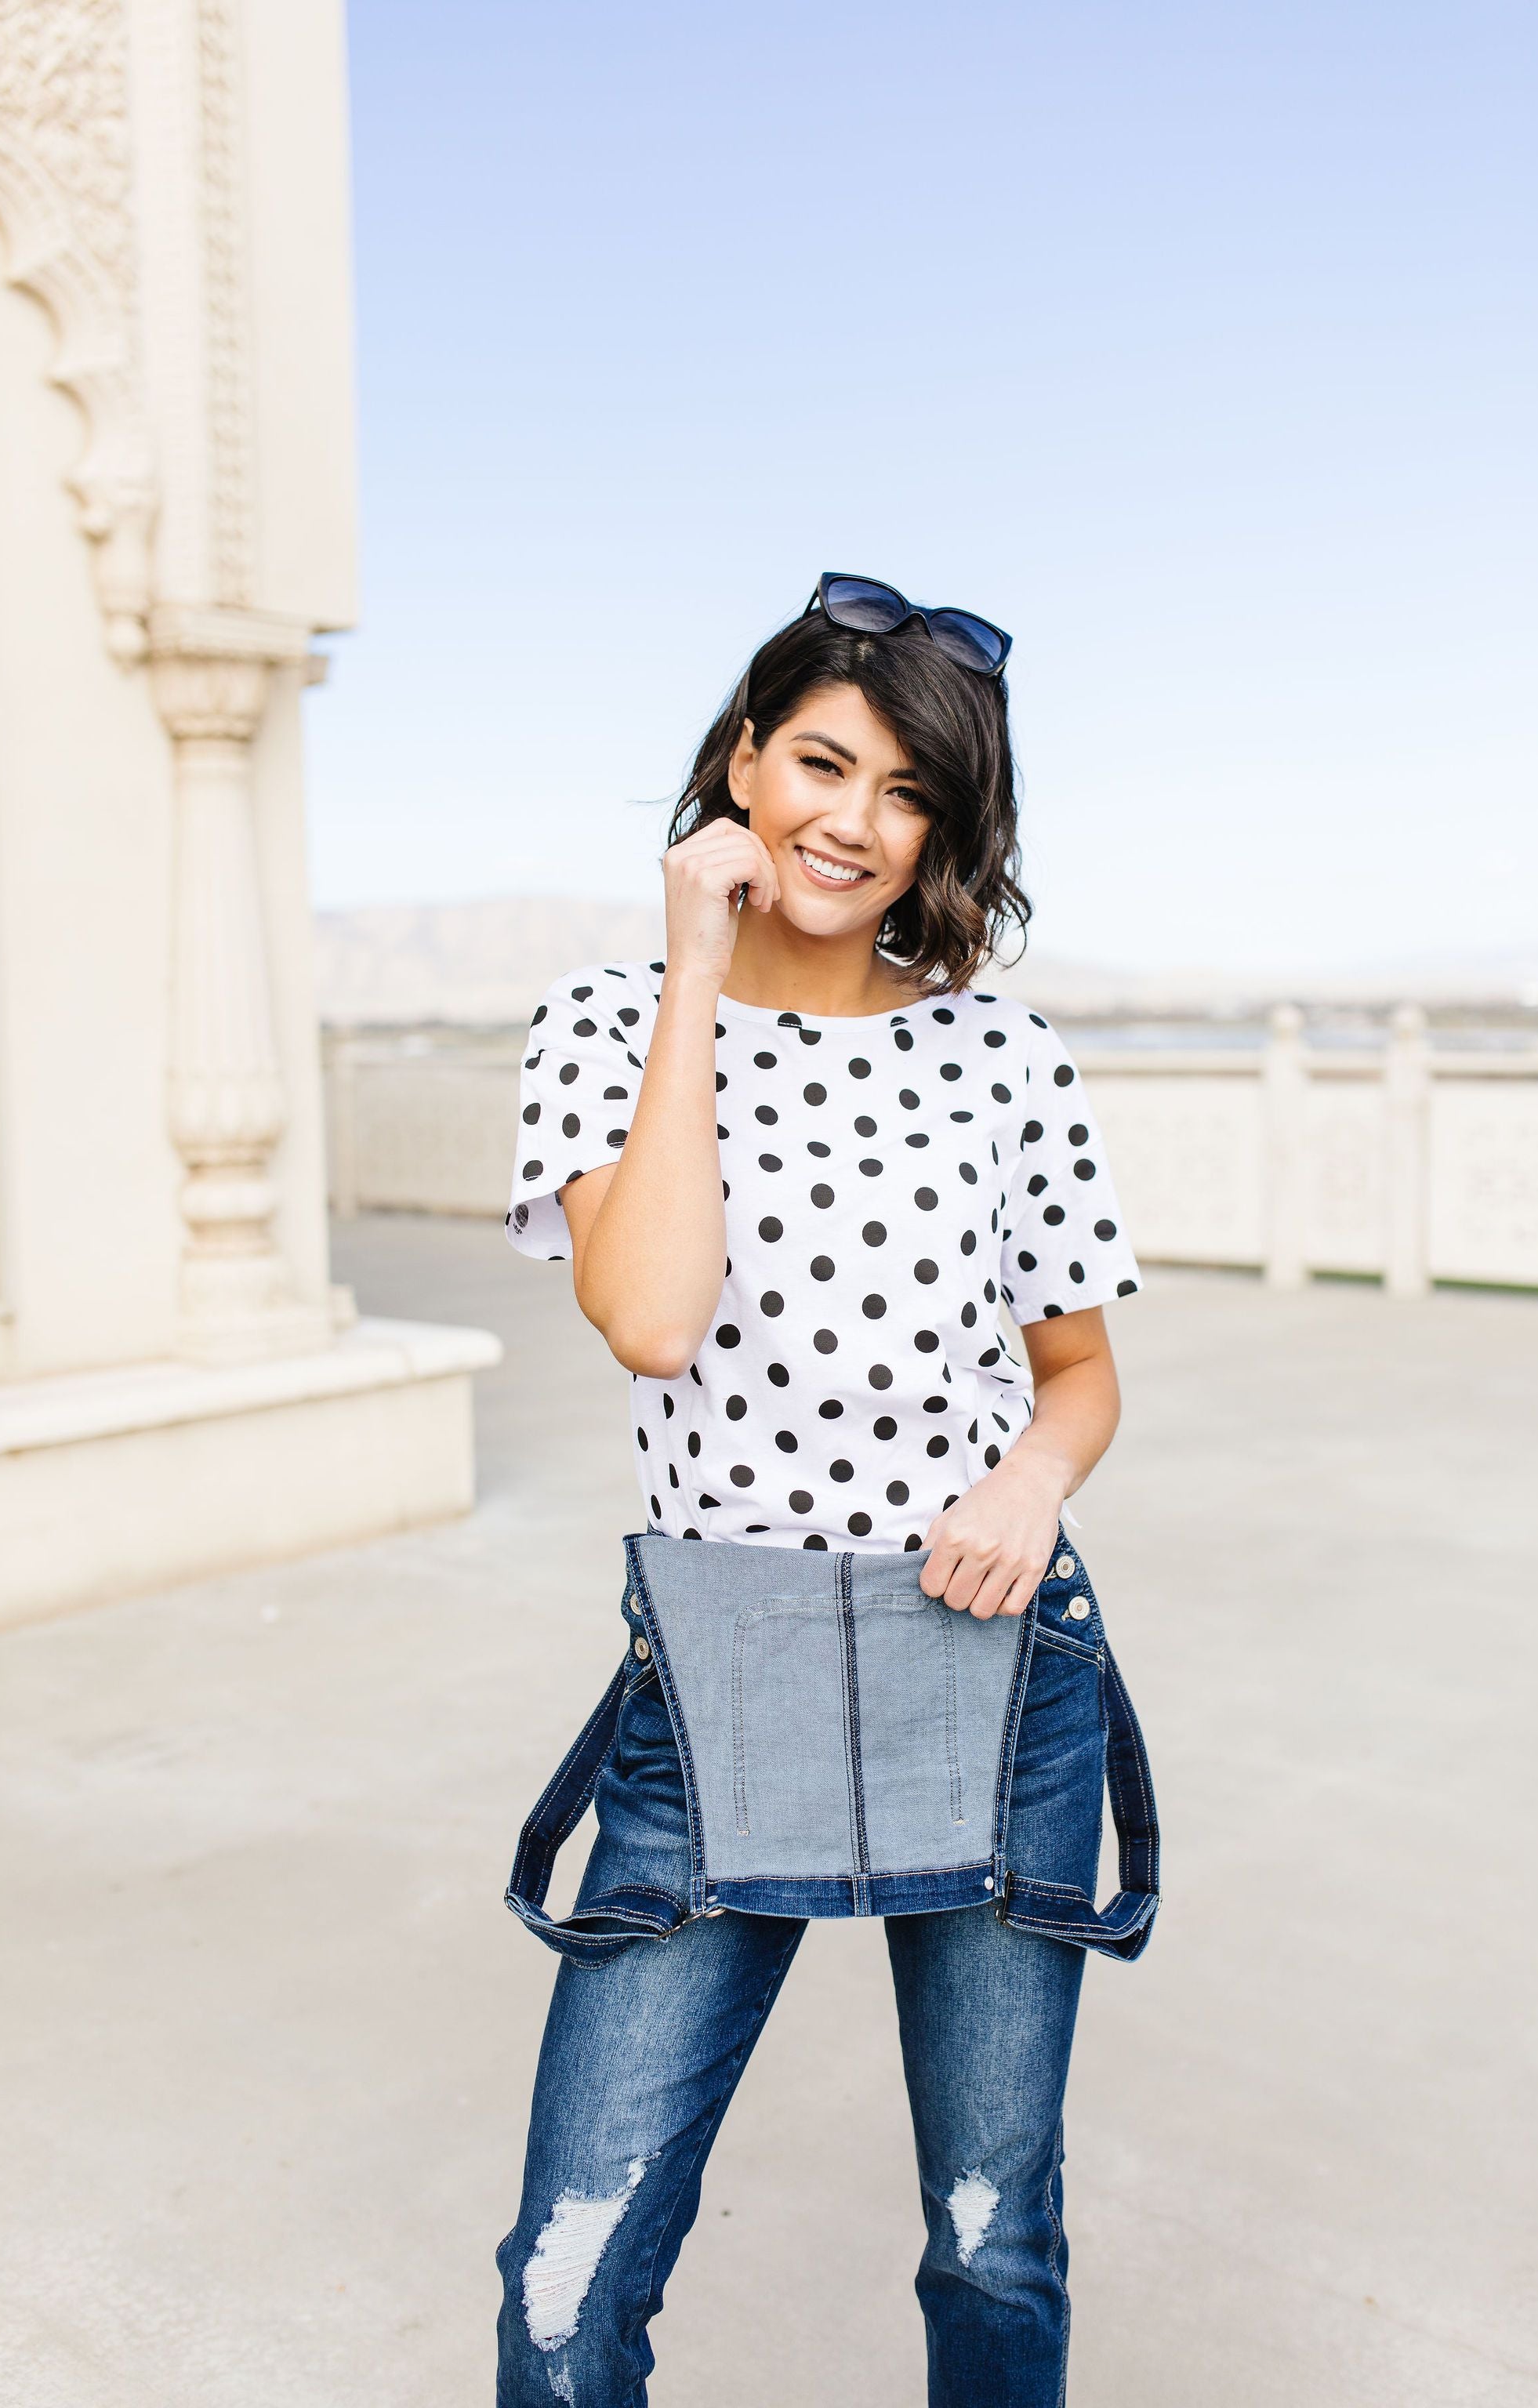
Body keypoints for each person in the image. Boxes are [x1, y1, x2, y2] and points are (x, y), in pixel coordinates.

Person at [493, 575, 1159, 2406]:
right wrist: (697, 972)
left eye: (908, 793)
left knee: (990, 2230)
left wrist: (1031, 1478)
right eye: (818, 763)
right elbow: (647, 1316)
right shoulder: (605, 1021)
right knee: (570, 2264)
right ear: (742, 763)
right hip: (719, 1684)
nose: (850, 824)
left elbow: (1079, 1376)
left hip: (991, 1664)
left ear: (945, 827)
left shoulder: (1000, 1055)